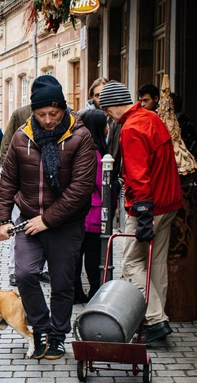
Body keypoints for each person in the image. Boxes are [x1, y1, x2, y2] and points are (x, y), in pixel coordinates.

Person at [0, 75, 96, 360]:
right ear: (33, 112)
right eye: (41, 114)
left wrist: (48, 220)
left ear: (64, 109)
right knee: (25, 274)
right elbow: (8, 182)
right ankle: (40, 327)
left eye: (54, 113)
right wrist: (2, 219)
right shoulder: (21, 137)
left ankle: (58, 335)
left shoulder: (80, 136)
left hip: (66, 224)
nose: (49, 120)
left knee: (63, 283)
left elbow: (81, 188)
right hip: (28, 220)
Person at [99, 81, 182, 344]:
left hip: (150, 205)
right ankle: (156, 318)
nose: (107, 115)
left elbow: (138, 175)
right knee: (155, 263)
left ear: (113, 105)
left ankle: (156, 320)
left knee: (132, 262)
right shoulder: (151, 118)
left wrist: (143, 213)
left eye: (106, 109)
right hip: (168, 202)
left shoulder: (132, 127)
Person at [0, 105, 49, 287]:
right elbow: (6, 145)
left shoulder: (58, 115)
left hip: (45, 187)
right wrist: (12, 173)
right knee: (18, 228)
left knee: (44, 229)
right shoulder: (20, 114)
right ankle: (14, 270)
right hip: (23, 185)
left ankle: (41, 269)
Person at [74, 109, 107, 304]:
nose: (107, 128)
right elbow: (100, 184)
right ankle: (95, 292)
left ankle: (76, 292)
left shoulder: (81, 148)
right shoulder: (96, 153)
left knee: (78, 255)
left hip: (79, 211)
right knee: (92, 253)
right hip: (93, 211)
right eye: (105, 124)